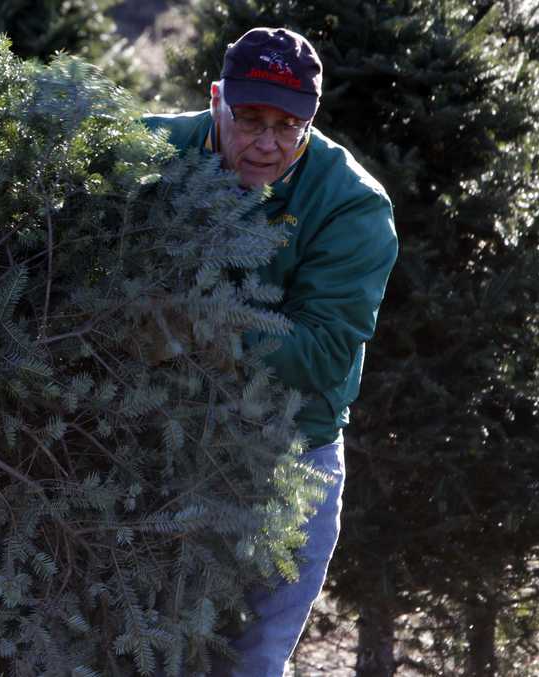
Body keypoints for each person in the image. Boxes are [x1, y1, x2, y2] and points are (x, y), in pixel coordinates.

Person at [143, 27, 399, 677]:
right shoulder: (148, 151)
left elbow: (322, 353)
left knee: (252, 658)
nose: (266, 143)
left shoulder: (351, 205)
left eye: (288, 127)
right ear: (216, 99)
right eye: (250, 119)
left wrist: (198, 328)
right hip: (151, 441)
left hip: (290, 457)